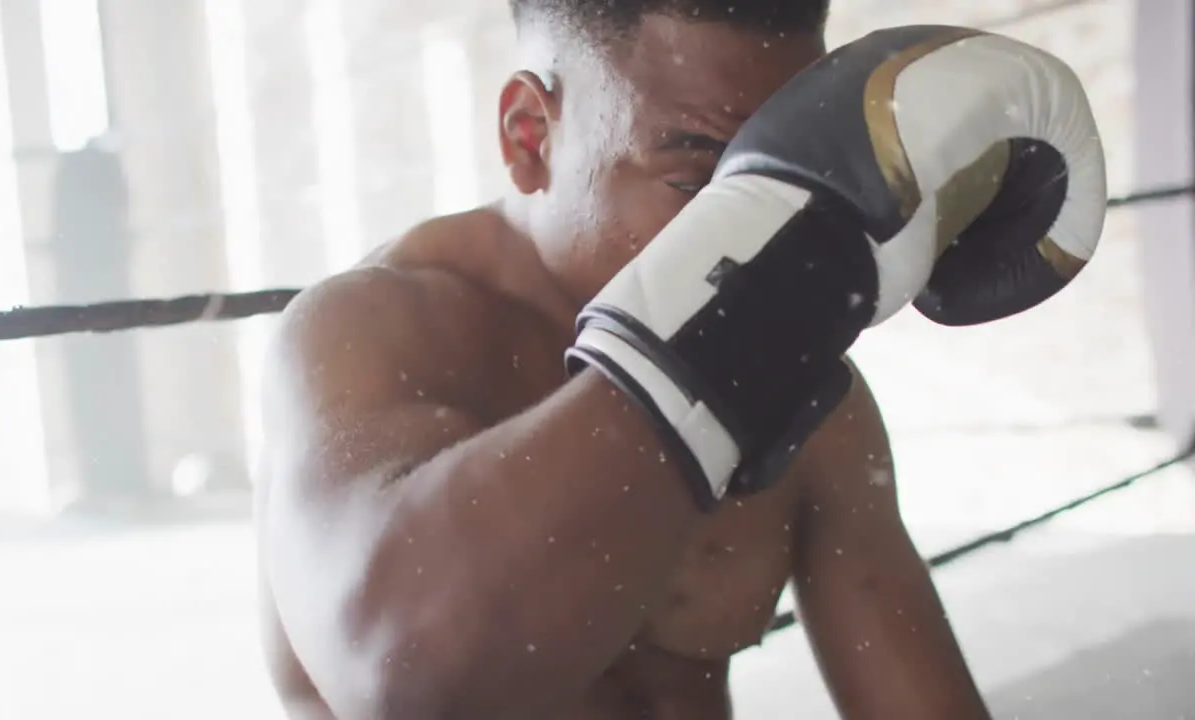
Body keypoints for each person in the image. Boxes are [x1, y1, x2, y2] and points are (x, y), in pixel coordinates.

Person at [255, 3, 1104, 718]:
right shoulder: (371, 334)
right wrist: (709, 349)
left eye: (784, 179)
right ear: (529, 135)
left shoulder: (815, 404)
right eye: (704, 184)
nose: (755, 234)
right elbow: (403, 661)